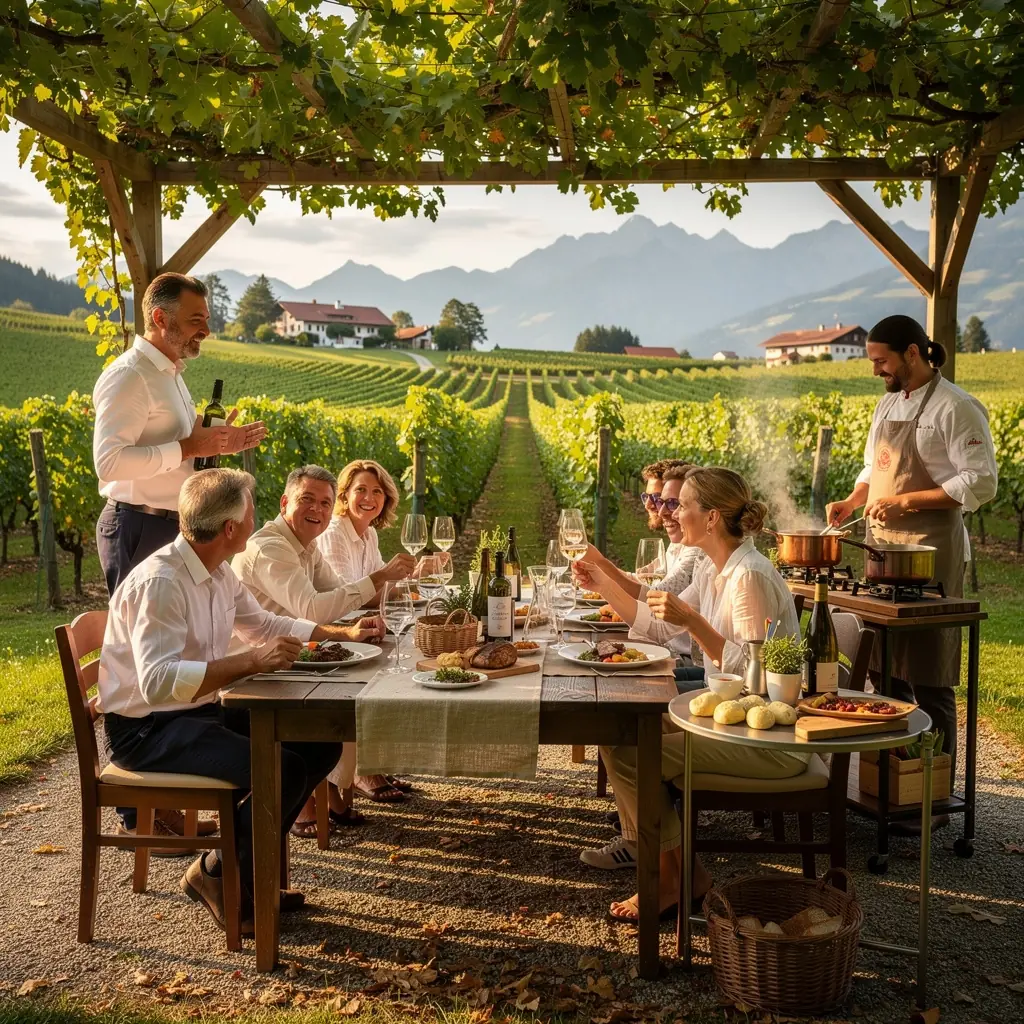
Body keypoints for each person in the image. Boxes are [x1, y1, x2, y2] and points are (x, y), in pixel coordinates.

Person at [98, 469, 345, 936]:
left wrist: (341, 634)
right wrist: (250, 662)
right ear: (231, 528)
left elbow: (265, 625)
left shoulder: (216, 570)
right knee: (282, 770)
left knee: (319, 744)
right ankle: (221, 874)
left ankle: (238, 872)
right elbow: (157, 683)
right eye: (251, 513)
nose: (256, 520)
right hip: (147, 730)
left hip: (194, 712)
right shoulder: (163, 582)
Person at [92, 272, 266, 845]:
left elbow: (182, 452)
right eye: (196, 320)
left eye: (206, 319)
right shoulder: (128, 375)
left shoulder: (172, 375)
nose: (205, 330)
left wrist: (217, 445)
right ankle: (142, 811)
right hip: (138, 522)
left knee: (174, 650)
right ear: (160, 318)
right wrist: (190, 446)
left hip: (171, 521)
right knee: (143, 661)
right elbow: (109, 463)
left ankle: (176, 788)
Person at [578, 467, 805, 889]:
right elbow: (660, 625)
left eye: (682, 505)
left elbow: (756, 680)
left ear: (712, 518)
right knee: (615, 729)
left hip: (766, 736)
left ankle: (674, 879)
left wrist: (694, 622)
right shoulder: (711, 567)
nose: (674, 513)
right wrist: (603, 583)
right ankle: (661, 860)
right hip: (726, 717)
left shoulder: (749, 577)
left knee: (631, 756)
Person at [826, 315, 997, 831]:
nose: (875, 370)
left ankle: (931, 800)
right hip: (884, 552)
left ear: (913, 354)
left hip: (931, 555)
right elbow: (873, 467)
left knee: (930, 675)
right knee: (885, 670)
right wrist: (853, 500)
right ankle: (891, 788)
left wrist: (907, 501)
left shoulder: (956, 406)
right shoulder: (886, 404)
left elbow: (980, 481)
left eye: (881, 361)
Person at [232, 464, 416, 830]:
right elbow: (312, 608)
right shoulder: (270, 547)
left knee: (369, 670)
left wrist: (353, 626)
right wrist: (380, 578)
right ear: (285, 503)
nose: (317, 509)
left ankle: (334, 786)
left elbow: (339, 595)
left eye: (324, 503)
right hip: (252, 669)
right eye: (307, 500)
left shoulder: (307, 546)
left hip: (293, 653)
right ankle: (312, 796)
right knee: (349, 690)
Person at [315, 458, 418, 803]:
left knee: (401, 664)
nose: (369, 498)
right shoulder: (335, 533)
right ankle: (360, 772)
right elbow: (349, 598)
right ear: (345, 495)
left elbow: (379, 589)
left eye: (377, 491)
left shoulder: (368, 533)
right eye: (361, 489)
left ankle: (371, 763)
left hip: (361, 624)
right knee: (388, 670)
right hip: (336, 629)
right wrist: (389, 580)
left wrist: (417, 576)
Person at [572, 463, 708, 694]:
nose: (658, 509)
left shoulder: (710, 560)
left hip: (684, 660)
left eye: (674, 503)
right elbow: (657, 617)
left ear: (711, 515)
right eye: (653, 499)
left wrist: (602, 566)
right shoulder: (693, 556)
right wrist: (603, 581)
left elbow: (655, 600)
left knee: (614, 691)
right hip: (679, 657)